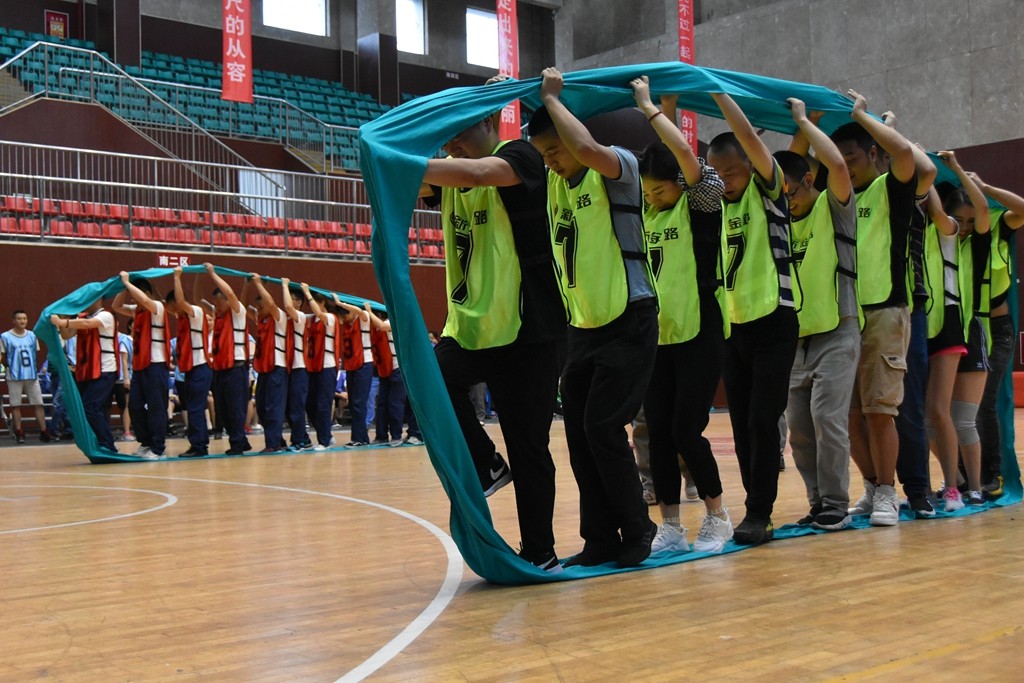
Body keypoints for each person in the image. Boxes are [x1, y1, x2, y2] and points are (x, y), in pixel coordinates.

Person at [420, 91, 567, 571]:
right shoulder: (449, 171)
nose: (452, 145)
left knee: (529, 445)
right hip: (472, 327)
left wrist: (405, 160)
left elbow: (481, 173)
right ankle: (486, 462)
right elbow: (404, 185)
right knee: (431, 379)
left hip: (531, 329)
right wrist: (389, 153)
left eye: (459, 134)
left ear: (488, 122)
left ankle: (541, 551)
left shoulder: (520, 155)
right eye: (446, 138)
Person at [528, 67, 658, 568]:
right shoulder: (555, 183)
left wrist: (552, 99)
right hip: (582, 325)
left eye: (554, 151)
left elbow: (583, 148)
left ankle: (639, 528)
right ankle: (600, 538)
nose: (551, 161)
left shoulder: (618, 166)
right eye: (544, 155)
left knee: (603, 427)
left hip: (630, 318)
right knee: (580, 436)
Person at [630, 76, 734, 553]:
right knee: (659, 434)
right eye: (646, 192)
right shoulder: (649, 213)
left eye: (659, 191)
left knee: (686, 431)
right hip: (659, 337)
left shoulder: (700, 204)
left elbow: (686, 161)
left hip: (700, 331)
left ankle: (717, 516)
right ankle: (670, 526)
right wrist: (665, 112)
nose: (651, 198)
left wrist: (652, 108)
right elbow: (664, 160)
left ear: (679, 184)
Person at [832, 91, 933, 526]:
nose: (845, 167)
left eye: (852, 158)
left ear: (873, 154)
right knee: (850, 414)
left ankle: (890, 492)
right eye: (839, 161)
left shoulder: (890, 189)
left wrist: (863, 116)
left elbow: (907, 157)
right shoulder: (838, 196)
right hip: (843, 317)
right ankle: (872, 486)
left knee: (880, 411)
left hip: (886, 312)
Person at [705, 91, 799, 545]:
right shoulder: (716, 206)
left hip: (775, 320)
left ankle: (761, 511)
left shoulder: (769, 193)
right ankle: (753, 505)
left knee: (763, 418)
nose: (724, 180)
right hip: (734, 326)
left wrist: (718, 93)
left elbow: (748, 139)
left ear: (750, 164)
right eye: (716, 174)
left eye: (731, 171)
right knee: (742, 424)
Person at [775, 97, 858, 531]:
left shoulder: (833, 207)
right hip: (795, 338)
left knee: (828, 418)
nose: (785, 202)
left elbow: (837, 166)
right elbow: (780, 169)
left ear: (809, 181)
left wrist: (806, 122)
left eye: (790, 192)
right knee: (801, 430)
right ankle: (816, 499)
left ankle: (836, 502)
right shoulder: (780, 217)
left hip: (838, 330)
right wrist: (797, 136)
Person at [923, 152, 990, 509]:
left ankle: (971, 487)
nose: (964, 226)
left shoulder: (975, 243)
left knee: (960, 419)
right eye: (958, 219)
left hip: (966, 330)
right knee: (931, 417)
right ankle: (958, 482)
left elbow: (983, 209)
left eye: (968, 221)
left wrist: (955, 169)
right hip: (935, 325)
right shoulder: (936, 238)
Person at [970, 173, 1024, 497]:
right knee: (963, 407)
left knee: (985, 402)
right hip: (968, 328)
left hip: (999, 330)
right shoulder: (953, 228)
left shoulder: (997, 223)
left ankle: (993, 474)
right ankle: (965, 477)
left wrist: (987, 188)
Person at [113, 273, 171, 458]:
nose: (134, 300)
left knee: (156, 407)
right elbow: (116, 306)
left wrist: (127, 283)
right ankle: (146, 443)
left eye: (135, 295)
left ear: (146, 293)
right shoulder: (137, 310)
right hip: (139, 367)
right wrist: (124, 287)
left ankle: (158, 448)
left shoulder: (157, 307)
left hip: (156, 365)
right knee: (135, 406)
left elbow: (145, 300)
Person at [50, 299, 119, 452]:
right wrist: (62, 318)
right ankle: (101, 443)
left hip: (104, 369)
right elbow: (67, 335)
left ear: (98, 299)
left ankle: (107, 444)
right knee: (92, 409)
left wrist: (63, 322)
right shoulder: (81, 318)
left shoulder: (106, 315)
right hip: (87, 370)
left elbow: (87, 324)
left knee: (90, 407)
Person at [205, 263, 252, 455]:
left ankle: (238, 443)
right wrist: (199, 276)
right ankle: (241, 440)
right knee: (223, 410)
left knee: (235, 408)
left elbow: (231, 293)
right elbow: (197, 299)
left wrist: (212, 274)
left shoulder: (237, 312)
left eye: (218, 302)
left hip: (235, 368)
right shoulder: (219, 317)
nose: (215, 306)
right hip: (220, 369)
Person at [167, 266, 213, 457]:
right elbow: (170, 303)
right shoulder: (183, 316)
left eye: (172, 307)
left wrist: (177, 277)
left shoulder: (195, 311)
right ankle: (199, 444)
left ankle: (199, 446)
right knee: (194, 407)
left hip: (200, 366)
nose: (171, 311)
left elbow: (180, 300)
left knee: (195, 408)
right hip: (192, 368)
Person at [249, 273, 290, 454]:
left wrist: (258, 283)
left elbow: (271, 304)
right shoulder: (261, 319)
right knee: (262, 408)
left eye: (261, 306)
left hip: (277, 368)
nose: (258, 309)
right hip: (263, 370)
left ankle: (273, 444)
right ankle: (278, 440)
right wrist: (247, 285)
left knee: (273, 408)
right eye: (257, 307)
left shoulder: (279, 317)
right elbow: (243, 306)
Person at [1, 310, 55, 443]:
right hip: (14, 375)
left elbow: (35, 354)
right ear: (13, 321)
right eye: (19, 319)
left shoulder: (32, 335)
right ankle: (19, 432)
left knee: (38, 403)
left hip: (31, 375)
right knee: (15, 405)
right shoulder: (5, 337)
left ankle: (44, 431)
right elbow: (2, 355)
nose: (22, 321)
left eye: (24, 318)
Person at [300, 284, 339, 451]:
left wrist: (307, 292)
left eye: (315, 302)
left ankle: (324, 441)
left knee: (323, 404)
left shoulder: (330, 317)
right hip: (313, 366)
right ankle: (326, 435)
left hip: (327, 366)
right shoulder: (311, 319)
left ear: (323, 303)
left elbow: (319, 313)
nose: (311, 305)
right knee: (310, 404)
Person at [334, 295, 374, 447]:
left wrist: (340, 303)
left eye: (346, 314)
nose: (344, 318)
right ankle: (359, 437)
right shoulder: (347, 323)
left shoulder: (363, 319)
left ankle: (360, 438)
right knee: (353, 403)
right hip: (351, 366)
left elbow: (360, 311)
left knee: (359, 403)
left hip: (364, 365)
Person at [364, 304, 406, 446]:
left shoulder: (391, 323)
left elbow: (382, 326)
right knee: (381, 404)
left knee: (395, 404)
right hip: (384, 370)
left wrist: (369, 311)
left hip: (397, 369)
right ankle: (381, 435)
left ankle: (396, 436)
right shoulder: (374, 330)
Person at [281, 278, 313, 451]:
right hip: (288, 367)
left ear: (299, 302)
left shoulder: (299, 316)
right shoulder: (285, 319)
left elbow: (288, 307)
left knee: (296, 406)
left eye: (292, 298)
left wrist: (285, 285)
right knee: (288, 407)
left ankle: (299, 440)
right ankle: (303, 438)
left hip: (299, 367)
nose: (287, 300)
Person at [114, 323, 134, 441]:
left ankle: (129, 431)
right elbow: (124, 361)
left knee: (129, 404)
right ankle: (126, 432)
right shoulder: (125, 341)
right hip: (123, 378)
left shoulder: (139, 340)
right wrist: (126, 378)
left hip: (133, 376)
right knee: (126, 404)